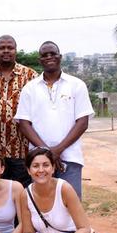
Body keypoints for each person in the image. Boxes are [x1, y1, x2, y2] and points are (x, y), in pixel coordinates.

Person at [5, 147, 100, 233]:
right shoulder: (25, 195)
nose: (41, 170)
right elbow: (28, 232)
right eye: (35, 166)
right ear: (28, 170)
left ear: (53, 168)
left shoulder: (64, 188)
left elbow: (85, 228)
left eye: (46, 165)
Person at [14, 41, 94, 198]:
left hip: (69, 158)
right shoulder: (30, 88)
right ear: (40, 60)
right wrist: (47, 153)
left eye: (53, 54)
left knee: (71, 206)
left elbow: (83, 122)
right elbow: (24, 124)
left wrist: (57, 150)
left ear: (60, 57)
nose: (49, 57)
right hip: (39, 162)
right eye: (45, 55)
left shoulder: (77, 85)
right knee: (42, 206)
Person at [0, 35, 38, 187]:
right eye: (1, 48)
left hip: (21, 151)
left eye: (10, 48)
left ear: (15, 51)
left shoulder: (30, 76)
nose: (6, 51)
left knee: (21, 197)